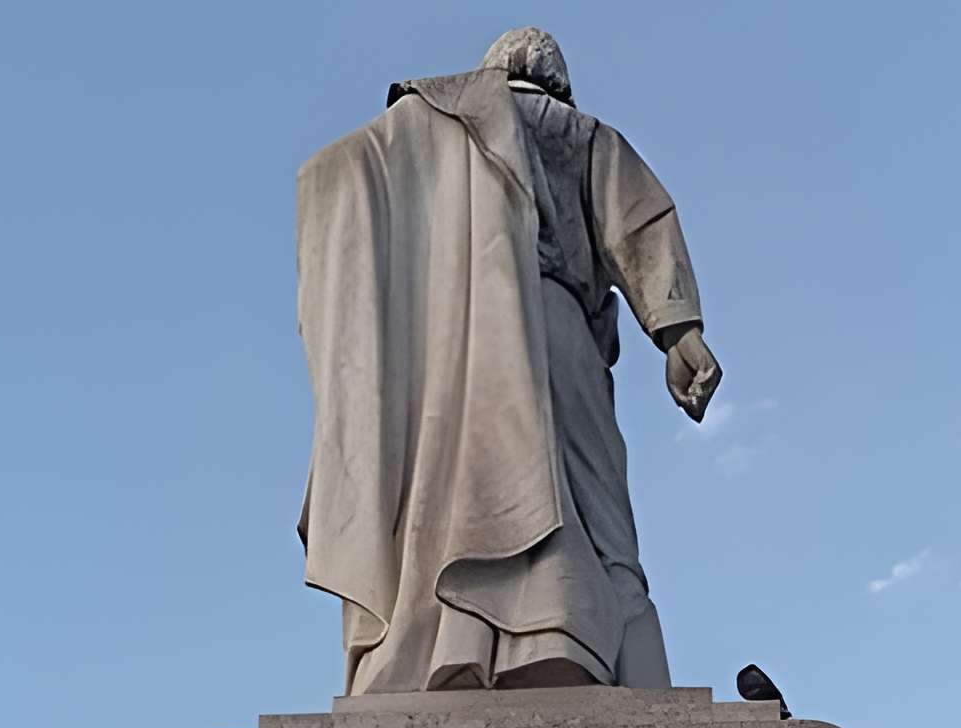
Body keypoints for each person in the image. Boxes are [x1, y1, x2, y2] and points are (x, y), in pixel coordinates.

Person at [298, 27, 722, 693]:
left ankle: (461, 643)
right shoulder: (577, 131)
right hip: (556, 322)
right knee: (595, 505)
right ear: (559, 80)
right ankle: (618, 657)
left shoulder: (440, 125)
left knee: (475, 496)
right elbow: (639, 221)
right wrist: (679, 331)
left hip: (466, 335)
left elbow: (344, 171)